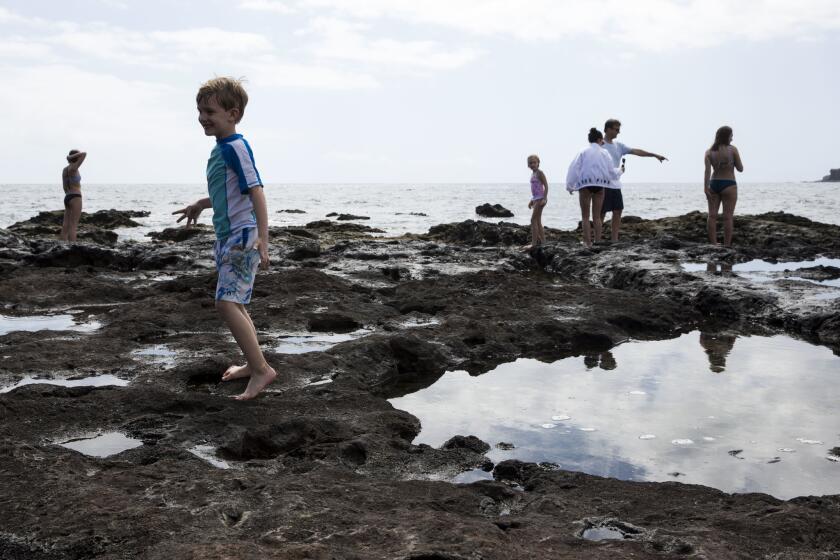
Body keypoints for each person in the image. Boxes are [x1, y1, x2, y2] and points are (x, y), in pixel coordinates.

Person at [173, 77, 277, 400]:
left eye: (210, 111)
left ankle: (261, 370)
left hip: (242, 236)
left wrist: (263, 237)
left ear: (233, 114)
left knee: (226, 302)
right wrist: (201, 205)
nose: (203, 117)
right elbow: (225, 194)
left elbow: (256, 191)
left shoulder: (235, 147)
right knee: (237, 302)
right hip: (228, 236)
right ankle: (253, 363)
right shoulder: (221, 149)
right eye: (200, 111)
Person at [600, 119, 667, 242]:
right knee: (601, 213)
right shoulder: (600, 144)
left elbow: (636, 151)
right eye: (616, 129)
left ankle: (614, 240)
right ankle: (597, 240)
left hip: (615, 184)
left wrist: (654, 155)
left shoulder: (618, 146)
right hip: (602, 184)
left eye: (619, 129)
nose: (618, 132)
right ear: (608, 129)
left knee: (618, 210)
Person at [566, 128, 623, 247]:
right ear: (599, 139)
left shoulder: (583, 151)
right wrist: (620, 171)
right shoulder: (604, 152)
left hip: (585, 185)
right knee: (597, 216)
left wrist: (570, 186)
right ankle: (597, 241)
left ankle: (587, 242)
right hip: (600, 185)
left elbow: (574, 169)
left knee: (585, 217)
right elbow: (611, 172)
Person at [704, 125, 743, 247]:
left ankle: (714, 244)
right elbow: (740, 168)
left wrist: (705, 188)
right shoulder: (733, 150)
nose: (732, 138)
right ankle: (727, 245)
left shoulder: (709, 152)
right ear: (727, 136)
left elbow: (707, 171)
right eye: (731, 136)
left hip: (713, 184)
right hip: (729, 184)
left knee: (712, 216)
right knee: (728, 217)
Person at [60, 149, 87, 242]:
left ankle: (62, 246)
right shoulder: (74, 168)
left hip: (67, 197)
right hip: (75, 197)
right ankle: (73, 248)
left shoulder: (65, 169)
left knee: (65, 225)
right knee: (73, 226)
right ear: (76, 157)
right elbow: (84, 154)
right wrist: (70, 157)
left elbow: (64, 186)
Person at [523, 154, 548, 250]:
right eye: (530, 163)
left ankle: (534, 244)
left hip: (541, 198)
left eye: (534, 162)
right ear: (528, 165)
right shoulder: (532, 174)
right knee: (537, 221)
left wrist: (544, 199)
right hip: (536, 198)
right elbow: (535, 189)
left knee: (533, 220)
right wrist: (531, 200)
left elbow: (546, 186)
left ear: (538, 163)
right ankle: (543, 242)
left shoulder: (540, 173)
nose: (532, 164)